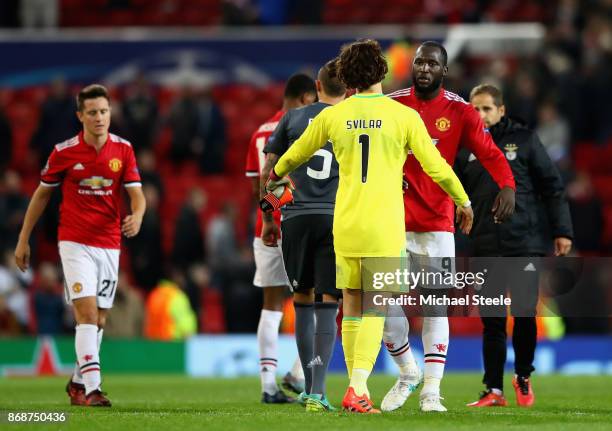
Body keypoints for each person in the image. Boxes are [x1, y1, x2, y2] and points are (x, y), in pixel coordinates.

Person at [265, 39, 472, 414]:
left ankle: (352, 388)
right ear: (382, 72)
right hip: (383, 226)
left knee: (354, 305)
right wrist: (463, 200)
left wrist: (274, 176)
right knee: (376, 308)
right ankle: (358, 388)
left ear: (347, 76)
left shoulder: (332, 115)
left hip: (345, 223)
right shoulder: (403, 116)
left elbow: (296, 153)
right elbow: (437, 167)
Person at [382, 41, 516, 412]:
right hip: (390, 221)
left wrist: (507, 185)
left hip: (438, 224)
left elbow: (489, 152)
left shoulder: (459, 110)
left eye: (431, 64)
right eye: (419, 62)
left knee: (435, 307)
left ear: (444, 70)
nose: (423, 68)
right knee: (380, 304)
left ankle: (430, 391)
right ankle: (408, 372)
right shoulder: (392, 104)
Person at [14, 84, 146, 407]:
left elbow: (137, 195)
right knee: (86, 314)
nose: (99, 118)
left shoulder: (123, 150)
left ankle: (76, 382)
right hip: (74, 242)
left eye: (103, 111)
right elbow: (42, 194)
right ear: (80, 116)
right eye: (92, 113)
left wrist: (138, 216)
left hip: (109, 243)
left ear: (110, 113)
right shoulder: (64, 152)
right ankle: (93, 389)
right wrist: (23, 238)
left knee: (99, 319)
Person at [457, 84, 573, 407]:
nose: (480, 115)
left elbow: (552, 186)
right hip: (485, 245)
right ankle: (493, 389)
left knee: (524, 315)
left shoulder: (523, 141)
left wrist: (562, 231)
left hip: (524, 242)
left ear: (501, 110)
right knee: (491, 319)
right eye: (475, 109)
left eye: (486, 109)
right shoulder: (464, 146)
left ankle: (523, 376)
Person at [261, 59, 346, 412]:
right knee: (330, 303)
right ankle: (319, 391)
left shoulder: (292, 118)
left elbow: (272, 171)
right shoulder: (351, 120)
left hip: (295, 219)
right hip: (336, 218)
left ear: (317, 85)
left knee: (303, 300)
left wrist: (269, 214)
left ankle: (308, 387)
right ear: (349, 89)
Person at [244, 73, 317, 403]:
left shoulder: (260, 131)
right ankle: (299, 372)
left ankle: (267, 387)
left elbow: (256, 185)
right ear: (305, 98)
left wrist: (266, 217)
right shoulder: (304, 125)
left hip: (267, 225)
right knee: (316, 300)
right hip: (299, 222)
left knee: (271, 307)